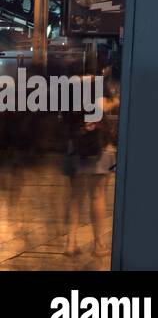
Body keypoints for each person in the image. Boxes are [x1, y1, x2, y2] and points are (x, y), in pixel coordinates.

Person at [62, 74, 117, 257]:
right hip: (98, 145)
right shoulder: (98, 83)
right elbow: (102, 106)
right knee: (97, 195)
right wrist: (115, 101)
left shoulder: (70, 85)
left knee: (75, 197)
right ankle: (99, 245)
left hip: (75, 143)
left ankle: (70, 243)